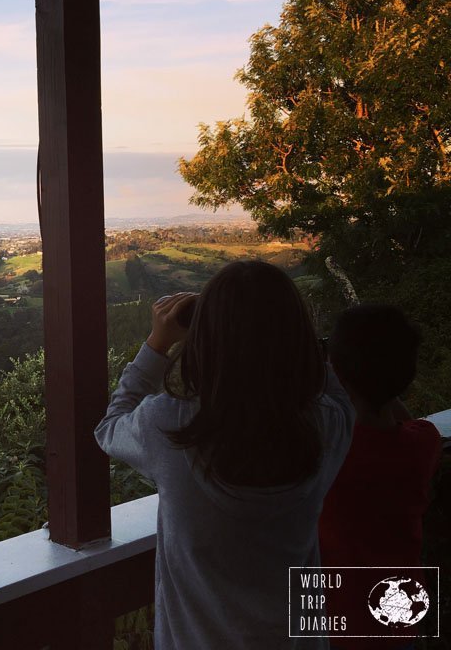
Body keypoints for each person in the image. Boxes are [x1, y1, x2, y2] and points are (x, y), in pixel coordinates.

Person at [95, 260, 355, 649]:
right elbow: (331, 387)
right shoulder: (327, 425)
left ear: (205, 339)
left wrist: (157, 344)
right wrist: (286, 335)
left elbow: (110, 427)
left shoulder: (171, 426)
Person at [319, 304, 443, 650]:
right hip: (400, 610)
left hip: (337, 620)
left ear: (338, 373)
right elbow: (398, 418)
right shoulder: (425, 442)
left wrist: (328, 374)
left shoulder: (328, 452)